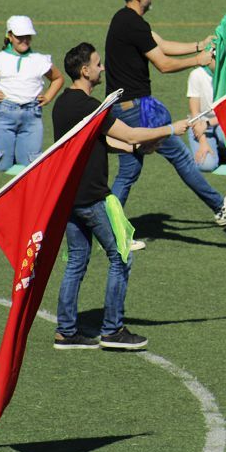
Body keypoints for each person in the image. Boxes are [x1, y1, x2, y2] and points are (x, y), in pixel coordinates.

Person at [52, 42, 191, 351]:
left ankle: (66, 330)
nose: (103, 69)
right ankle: (113, 330)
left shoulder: (63, 105)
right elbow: (127, 133)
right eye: (98, 64)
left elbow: (102, 143)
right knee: (121, 256)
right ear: (85, 70)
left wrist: (135, 149)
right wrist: (170, 129)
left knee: (76, 260)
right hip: (91, 198)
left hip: (69, 199)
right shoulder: (90, 108)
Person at [105, 0, 226, 226]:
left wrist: (198, 45)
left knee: (129, 171)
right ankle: (220, 208)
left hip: (127, 107)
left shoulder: (125, 19)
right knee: (179, 156)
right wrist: (199, 59)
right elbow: (163, 63)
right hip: (138, 109)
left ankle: (109, 228)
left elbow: (161, 44)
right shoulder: (133, 24)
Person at [0, 15, 63, 172]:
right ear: (9, 36)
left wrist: (48, 97)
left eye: (28, 36)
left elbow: (58, 78)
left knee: (30, 166)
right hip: (3, 114)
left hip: (32, 115)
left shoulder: (40, 59)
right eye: (20, 36)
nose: (24, 40)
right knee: (0, 166)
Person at [185, 60, 226, 172]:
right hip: (200, 124)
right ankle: (221, 151)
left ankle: (224, 151)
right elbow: (194, 114)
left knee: (224, 135)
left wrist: (208, 123)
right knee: (206, 165)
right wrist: (202, 141)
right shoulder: (196, 75)